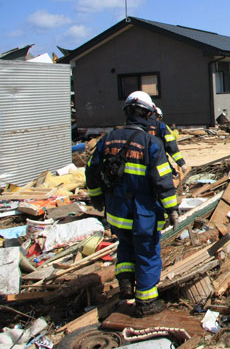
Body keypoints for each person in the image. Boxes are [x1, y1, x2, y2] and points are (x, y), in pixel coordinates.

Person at [85, 91, 180, 317]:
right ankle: (146, 302)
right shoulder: (151, 143)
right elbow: (163, 181)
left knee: (125, 246)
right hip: (143, 215)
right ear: (148, 115)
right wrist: (172, 209)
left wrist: (97, 197)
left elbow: (90, 171)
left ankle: (126, 283)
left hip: (117, 213)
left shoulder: (107, 139)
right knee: (147, 254)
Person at [147, 106, 189, 174]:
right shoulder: (161, 126)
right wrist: (181, 163)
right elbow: (171, 146)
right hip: (158, 160)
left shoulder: (137, 126)